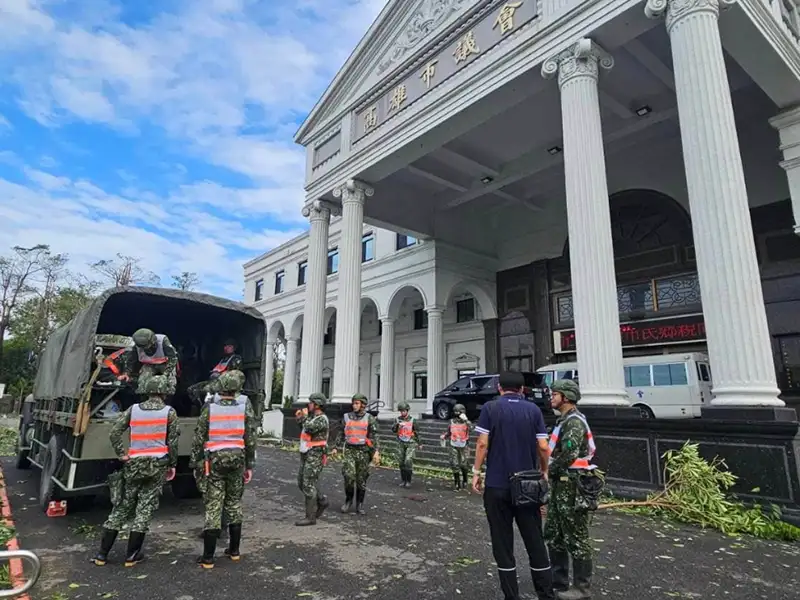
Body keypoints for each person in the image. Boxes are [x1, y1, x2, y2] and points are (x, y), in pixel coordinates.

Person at [471, 371, 555, 600]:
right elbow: (543, 446)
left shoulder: (490, 408)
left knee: (502, 542)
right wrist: (544, 471)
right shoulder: (533, 410)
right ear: (522, 389)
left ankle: (511, 595)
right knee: (534, 539)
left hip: (497, 484)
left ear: (499, 388)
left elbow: (482, 443)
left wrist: (476, 471)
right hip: (528, 484)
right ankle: (545, 593)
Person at [92, 375, 179, 567]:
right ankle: (132, 556)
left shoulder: (134, 410)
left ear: (146, 390)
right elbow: (172, 442)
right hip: (156, 466)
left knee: (122, 507)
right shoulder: (169, 412)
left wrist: (122, 454)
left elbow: (115, 432)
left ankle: (102, 554)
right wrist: (172, 465)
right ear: (164, 392)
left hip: (134, 464)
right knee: (144, 508)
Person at [191, 370, 257, 569]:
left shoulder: (210, 409)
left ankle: (208, 557)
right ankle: (234, 551)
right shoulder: (244, 408)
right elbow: (250, 438)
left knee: (214, 504)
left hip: (215, 461)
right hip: (237, 460)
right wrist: (249, 464)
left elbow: (198, 437)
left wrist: (196, 463)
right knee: (234, 503)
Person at [545, 379, 600, 600]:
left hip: (572, 485)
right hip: (561, 484)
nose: (551, 398)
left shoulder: (574, 422)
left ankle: (581, 588)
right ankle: (558, 582)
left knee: (576, 536)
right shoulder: (564, 420)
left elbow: (569, 454)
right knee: (555, 534)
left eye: (554, 394)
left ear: (565, 397)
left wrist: (549, 470)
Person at [331, 393, 380, 515]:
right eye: (353, 403)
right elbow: (341, 433)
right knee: (348, 476)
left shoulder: (369, 418)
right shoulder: (346, 417)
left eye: (357, 403)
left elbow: (375, 436)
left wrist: (376, 452)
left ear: (363, 405)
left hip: (363, 452)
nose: (354, 405)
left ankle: (359, 504)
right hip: (349, 450)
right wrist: (335, 447)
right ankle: (348, 501)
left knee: (361, 480)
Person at [294, 393, 330, 526]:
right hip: (307, 453)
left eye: (310, 403)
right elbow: (305, 430)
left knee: (308, 483)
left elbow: (309, 427)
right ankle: (321, 501)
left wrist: (303, 417)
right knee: (301, 482)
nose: (308, 405)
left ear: (317, 404)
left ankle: (310, 517)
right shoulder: (312, 417)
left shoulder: (321, 419)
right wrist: (300, 418)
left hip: (316, 454)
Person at [116, 328, 179, 396]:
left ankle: (166, 401)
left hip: (166, 364)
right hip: (149, 365)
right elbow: (131, 360)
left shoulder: (162, 340)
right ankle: (144, 400)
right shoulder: (137, 346)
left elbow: (173, 358)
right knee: (142, 382)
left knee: (169, 383)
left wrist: (165, 374)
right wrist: (126, 373)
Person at [187, 339, 243, 405]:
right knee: (191, 390)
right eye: (225, 346)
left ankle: (207, 408)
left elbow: (234, 375)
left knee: (207, 390)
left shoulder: (236, 359)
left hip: (223, 384)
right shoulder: (223, 359)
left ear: (234, 348)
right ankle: (201, 408)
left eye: (229, 346)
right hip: (212, 382)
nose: (226, 348)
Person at [439, 403, 472, 490]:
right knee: (454, 464)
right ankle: (457, 483)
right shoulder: (451, 422)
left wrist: (466, 420)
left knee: (464, 465)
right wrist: (444, 436)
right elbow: (449, 432)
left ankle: (465, 480)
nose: (457, 415)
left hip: (464, 445)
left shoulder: (466, 422)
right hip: (453, 444)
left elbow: (472, 429)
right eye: (456, 412)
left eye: (459, 413)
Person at [391, 402, 419, 488]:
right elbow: (393, 430)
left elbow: (417, 432)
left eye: (404, 411)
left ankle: (408, 481)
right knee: (401, 462)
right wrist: (397, 425)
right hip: (400, 442)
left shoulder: (412, 420)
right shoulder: (397, 419)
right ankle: (403, 480)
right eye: (401, 411)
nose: (402, 413)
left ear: (407, 411)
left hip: (410, 442)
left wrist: (419, 443)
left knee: (408, 460)